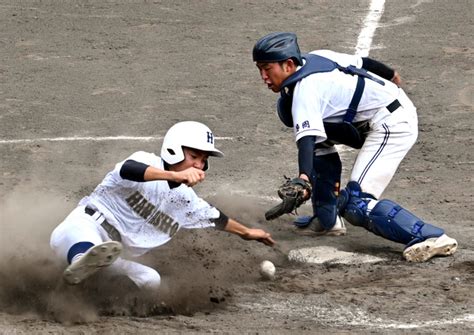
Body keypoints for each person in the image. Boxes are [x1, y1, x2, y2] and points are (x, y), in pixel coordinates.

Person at [252, 32, 457, 262]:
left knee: (357, 203)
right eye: (259, 68)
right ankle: (327, 219)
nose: (263, 76)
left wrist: (303, 179)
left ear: (288, 64)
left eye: (267, 68)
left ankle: (430, 237)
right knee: (321, 142)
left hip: (393, 124)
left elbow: (305, 143)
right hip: (371, 117)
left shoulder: (305, 91)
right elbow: (365, 63)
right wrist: (392, 75)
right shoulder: (315, 57)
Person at [50, 121, 275, 289]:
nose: (200, 164)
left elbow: (217, 219)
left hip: (111, 255)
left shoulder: (186, 200)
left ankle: (93, 288)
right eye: (194, 156)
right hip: (85, 226)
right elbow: (128, 169)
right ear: (173, 149)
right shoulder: (147, 161)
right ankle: (81, 262)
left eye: (204, 160)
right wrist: (175, 176)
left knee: (151, 280)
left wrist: (246, 232)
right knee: (82, 237)